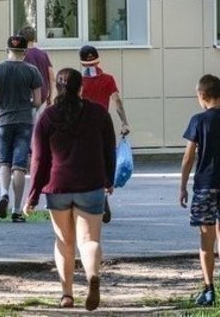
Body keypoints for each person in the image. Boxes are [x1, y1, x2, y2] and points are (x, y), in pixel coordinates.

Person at [23, 68, 116, 311]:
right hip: (91, 185)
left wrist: (32, 196)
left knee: (64, 241)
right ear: (81, 88)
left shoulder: (47, 117)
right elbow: (109, 149)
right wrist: (109, 180)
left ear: (58, 88)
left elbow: (39, 159)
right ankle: (92, 276)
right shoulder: (99, 113)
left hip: (58, 187)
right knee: (89, 240)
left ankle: (67, 295)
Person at [179, 74, 220, 307]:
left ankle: (208, 290)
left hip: (204, 185)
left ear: (201, 95)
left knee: (206, 237)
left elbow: (188, 157)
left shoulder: (198, 121)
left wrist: (182, 186)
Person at [0, 35, 43, 223]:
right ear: (25, 52)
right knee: (19, 166)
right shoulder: (32, 71)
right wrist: (26, 103)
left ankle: (3, 194)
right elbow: (38, 101)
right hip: (24, 121)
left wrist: (0, 103)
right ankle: (17, 211)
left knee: (4, 163)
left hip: (3, 120)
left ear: (7, 50)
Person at [79, 44, 129, 223]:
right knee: (103, 160)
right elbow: (117, 101)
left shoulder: (79, 81)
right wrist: (124, 122)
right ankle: (104, 194)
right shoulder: (108, 79)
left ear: (82, 63)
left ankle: (89, 200)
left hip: (84, 127)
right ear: (98, 60)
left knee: (86, 164)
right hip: (103, 125)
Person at [19, 25, 56, 109]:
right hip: (43, 94)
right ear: (34, 38)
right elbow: (52, 77)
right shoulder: (43, 54)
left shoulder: (21, 55)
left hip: (27, 96)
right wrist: (51, 96)